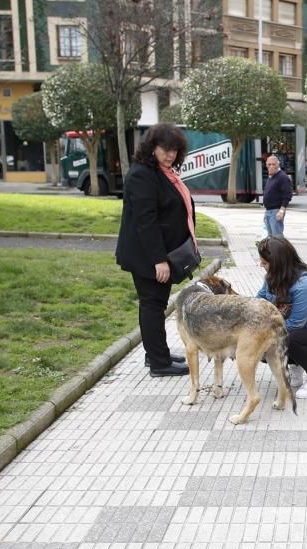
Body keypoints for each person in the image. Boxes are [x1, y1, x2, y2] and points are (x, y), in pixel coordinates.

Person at [115, 123, 197, 377]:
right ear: (152, 147)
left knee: (156, 304)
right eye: (165, 149)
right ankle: (159, 363)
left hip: (159, 254)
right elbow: (146, 222)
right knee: (152, 305)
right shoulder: (143, 174)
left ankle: (156, 354)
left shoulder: (162, 172)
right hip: (148, 257)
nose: (170, 155)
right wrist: (159, 260)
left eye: (175, 150)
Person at [255, 236, 307, 400]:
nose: (260, 264)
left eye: (264, 262)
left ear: (278, 263)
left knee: (287, 338)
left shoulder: (305, 285)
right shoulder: (272, 277)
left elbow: (296, 324)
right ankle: (296, 368)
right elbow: (258, 301)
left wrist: (264, 334)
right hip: (291, 331)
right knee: (261, 346)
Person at [263, 155, 292, 238]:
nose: (271, 166)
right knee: (270, 237)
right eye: (269, 164)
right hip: (269, 211)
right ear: (266, 165)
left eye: (273, 164)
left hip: (276, 211)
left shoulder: (282, 177)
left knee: (277, 237)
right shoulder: (271, 177)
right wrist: (266, 212)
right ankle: (272, 251)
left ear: (278, 165)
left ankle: (281, 251)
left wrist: (282, 210)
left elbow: (287, 195)